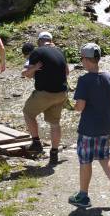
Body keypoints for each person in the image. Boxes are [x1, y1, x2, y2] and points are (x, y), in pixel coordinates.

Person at [69, 43, 110, 209]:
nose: (81, 61)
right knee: (104, 157)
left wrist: (73, 107)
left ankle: (83, 196)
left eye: (82, 58)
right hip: (105, 125)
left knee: (85, 160)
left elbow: (80, 106)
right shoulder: (108, 76)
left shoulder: (84, 80)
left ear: (87, 60)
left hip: (88, 128)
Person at [22, 31, 69, 165]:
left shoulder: (37, 52)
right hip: (61, 94)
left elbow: (29, 74)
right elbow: (67, 72)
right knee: (54, 123)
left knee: (28, 113)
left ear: (39, 41)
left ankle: (36, 142)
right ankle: (54, 153)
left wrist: (35, 69)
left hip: (44, 93)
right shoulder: (60, 51)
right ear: (51, 40)